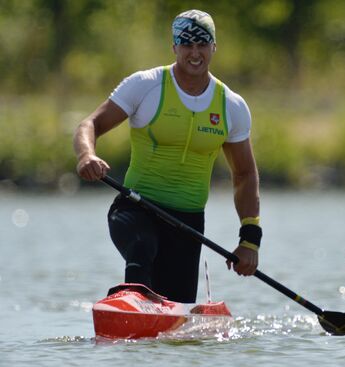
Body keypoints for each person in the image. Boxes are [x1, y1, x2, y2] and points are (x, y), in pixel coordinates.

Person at [73, 9, 261, 303]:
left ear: (214, 47)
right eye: (187, 44)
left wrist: (250, 239)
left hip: (187, 223)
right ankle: (131, 306)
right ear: (174, 47)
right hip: (135, 206)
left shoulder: (231, 106)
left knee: (177, 311)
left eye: (202, 44)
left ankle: (151, 319)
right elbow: (90, 124)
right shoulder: (145, 85)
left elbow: (245, 174)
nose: (195, 52)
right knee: (141, 245)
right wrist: (87, 155)